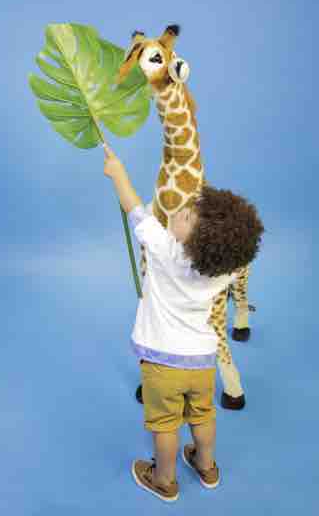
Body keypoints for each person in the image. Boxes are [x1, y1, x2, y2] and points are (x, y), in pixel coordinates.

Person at [103, 143, 264, 503]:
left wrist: (117, 174)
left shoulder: (165, 251)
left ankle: (163, 479)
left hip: (162, 363)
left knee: (165, 425)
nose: (180, 210)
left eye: (187, 216)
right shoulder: (222, 271)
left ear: (197, 242)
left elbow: (134, 209)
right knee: (202, 416)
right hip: (202, 362)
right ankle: (207, 466)